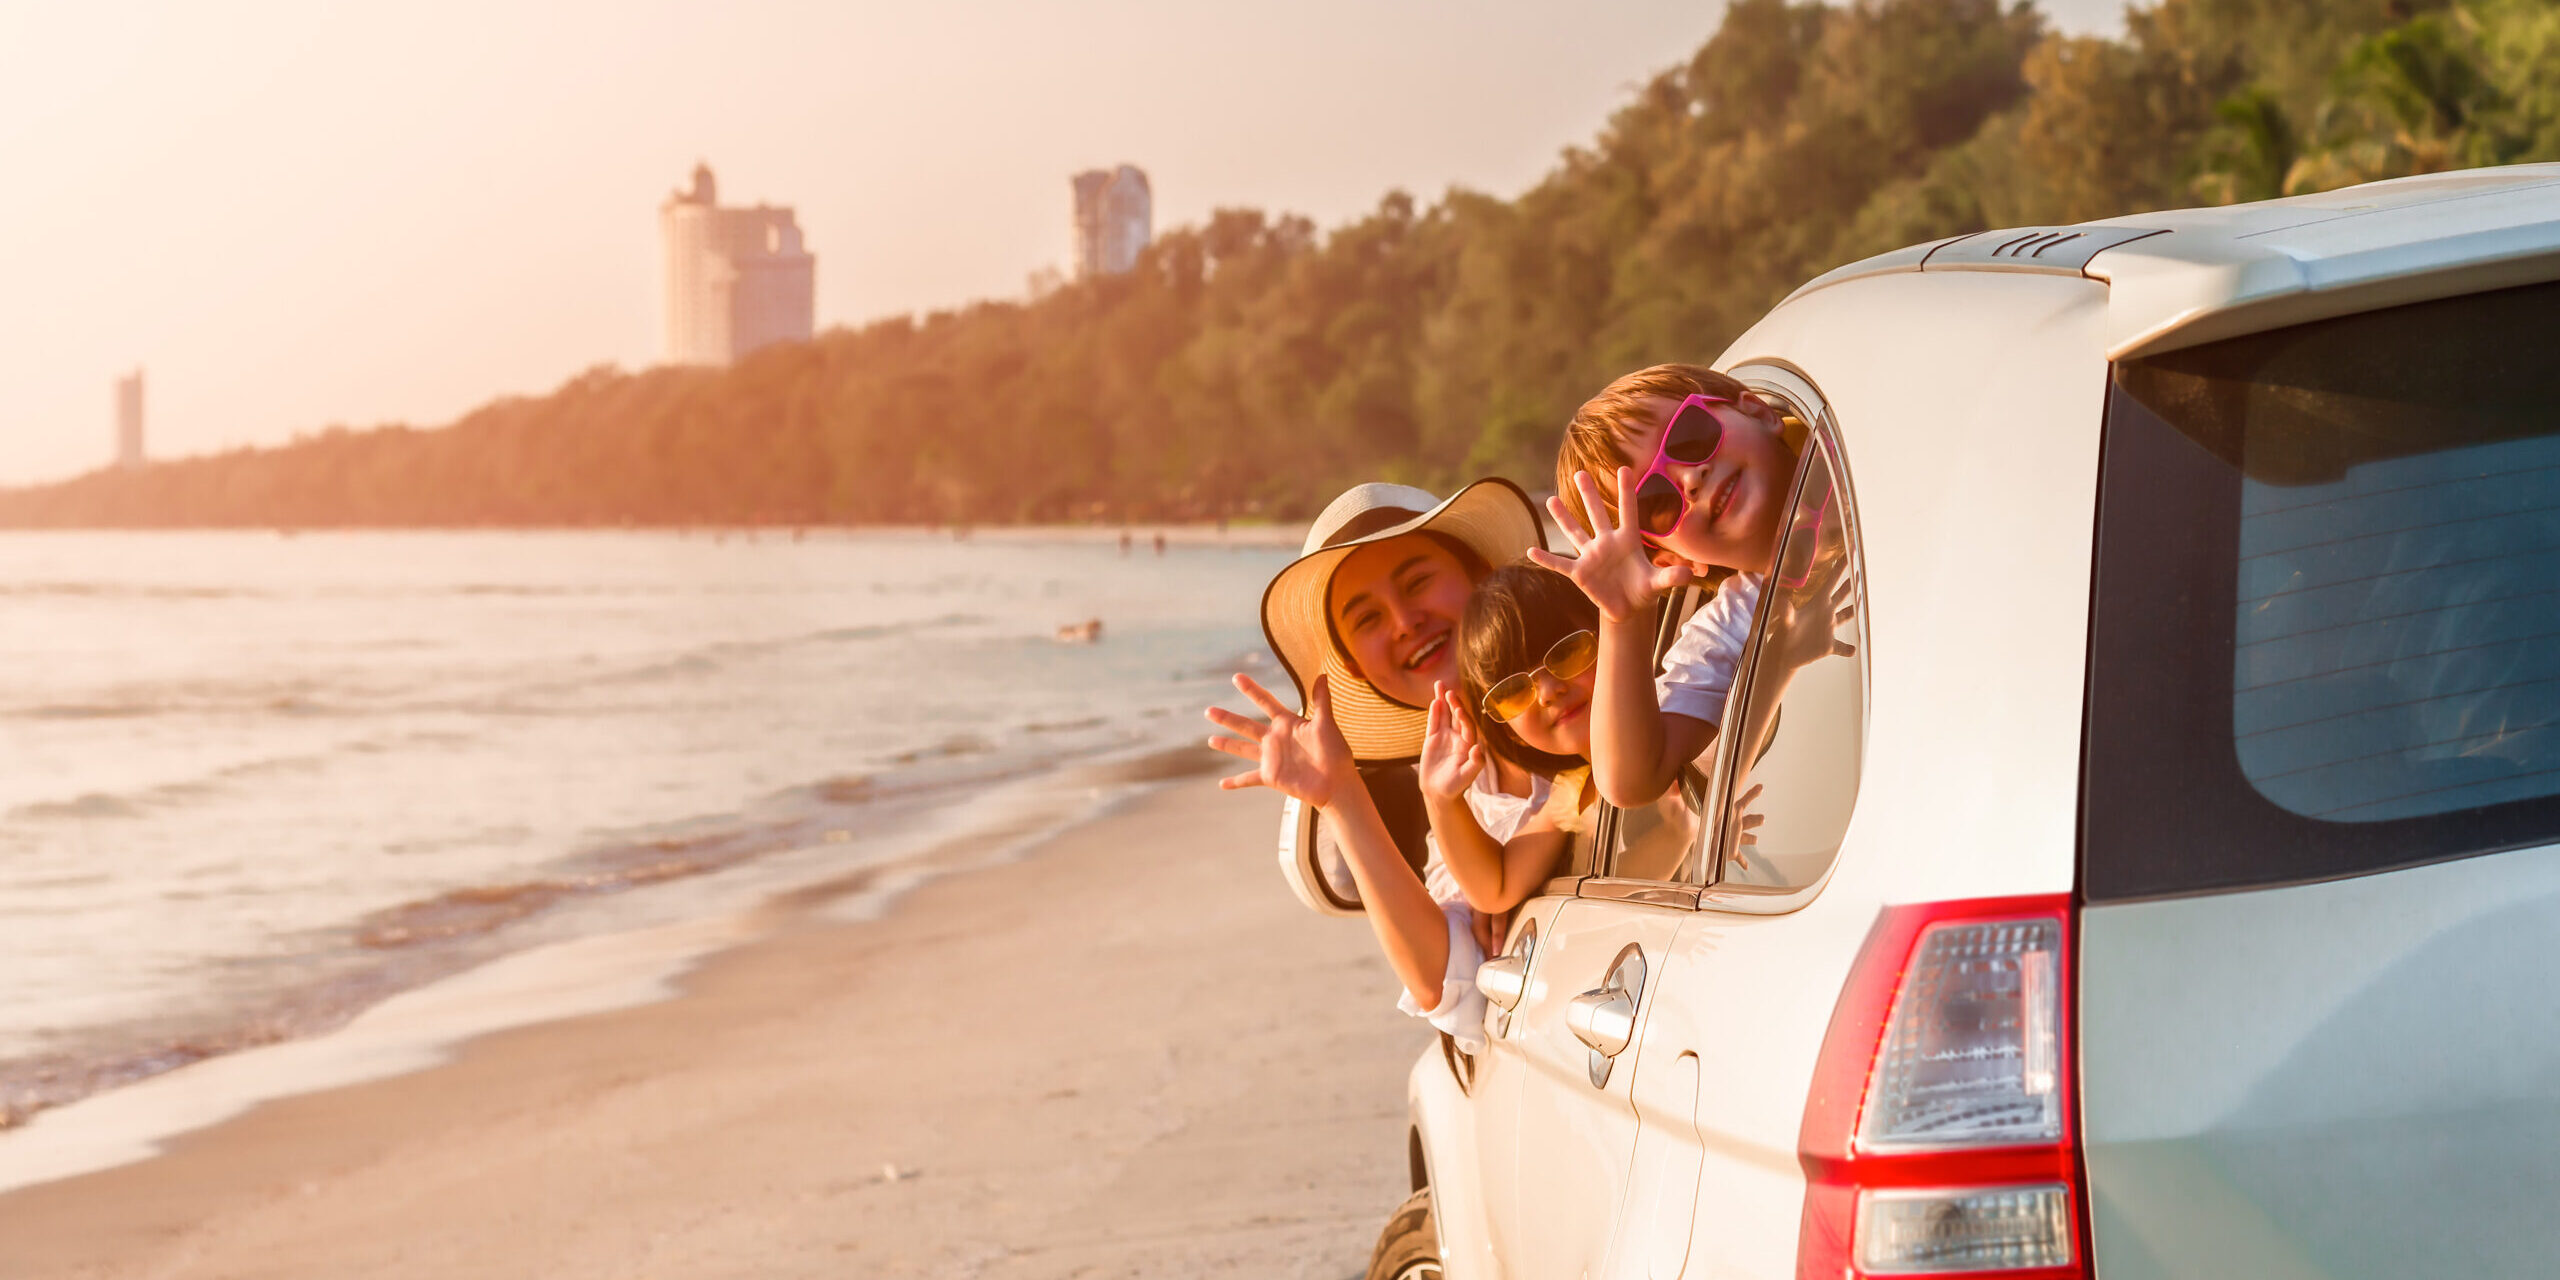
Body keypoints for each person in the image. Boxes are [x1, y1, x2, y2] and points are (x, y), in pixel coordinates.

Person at [1205, 481, 1543, 1051]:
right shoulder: (1466, 788)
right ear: (1357, 671)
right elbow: (1447, 981)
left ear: (1485, 576)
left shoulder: (1584, 694)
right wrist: (1340, 796)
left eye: (1418, 583)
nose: (1404, 622)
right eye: (1366, 620)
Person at [1528, 363, 1850, 809]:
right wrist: (1623, 617)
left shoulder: (1857, 440)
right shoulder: (1736, 624)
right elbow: (1631, 782)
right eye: (1656, 503)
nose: (1690, 479)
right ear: (1670, 558)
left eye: (1690, 438)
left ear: (1757, 411)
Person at [1417, 562, 1601, 917]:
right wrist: (1441, 800)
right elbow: (1497, 885)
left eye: (1567, 652)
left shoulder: (1668, 715)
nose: (1547, 692)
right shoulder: (1573, 790)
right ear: (1508, 732)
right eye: (1515, 690)